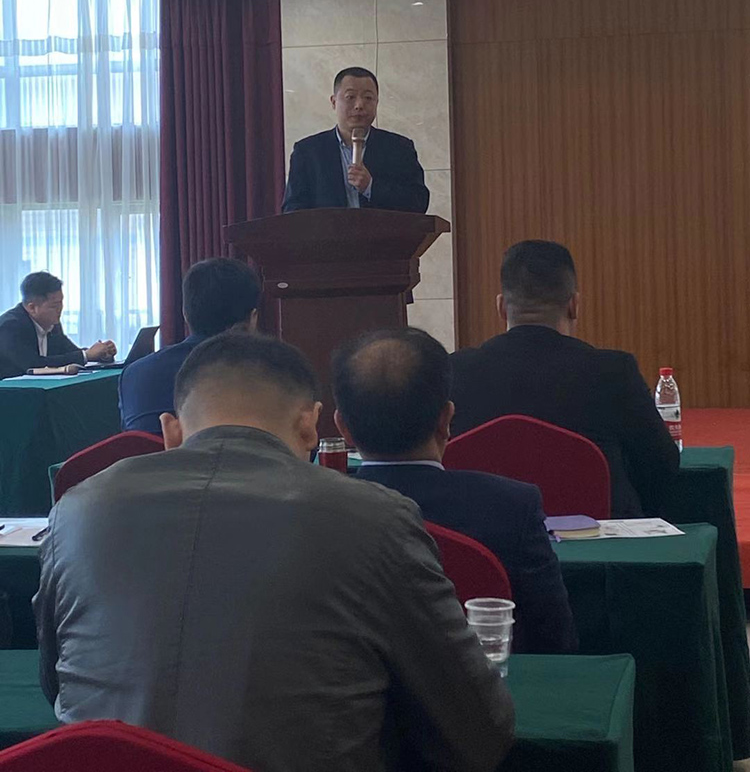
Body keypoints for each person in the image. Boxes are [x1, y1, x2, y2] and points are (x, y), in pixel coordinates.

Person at [34, 331, 513, 772]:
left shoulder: (75, 510)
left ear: (170, 432)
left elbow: (55, 684)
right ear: (310, 426)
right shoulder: (376, 518)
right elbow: (477, 730)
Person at [334, 327, 577, 655]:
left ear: (343, 428)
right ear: (446, 419)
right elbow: (554, 642)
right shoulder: (511, 508)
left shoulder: (318, 516)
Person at [450, 240, 680, 518]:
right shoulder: (613, 371)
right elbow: (662, 465)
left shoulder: (455, 370)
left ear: (501, 307)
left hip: (487, 533)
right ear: (574, 305)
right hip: (601, 538)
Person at [119, 257, 260, 435]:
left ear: (185, 314)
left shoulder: (134, 373)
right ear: (252, 318)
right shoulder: (270, 375)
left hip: (156, 455)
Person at [282, 66, 430, 213]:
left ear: (377, 103)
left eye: (368, 98)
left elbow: (419, 202)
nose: (359, 105)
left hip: (382, 229)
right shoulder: (307, 151)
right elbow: (292, 209)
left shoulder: (399, 148)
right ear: (334, 102)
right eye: (350, 97)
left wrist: (370, 187)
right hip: (328, 229)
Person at [0, 272, 116, 379]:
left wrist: (101, 354)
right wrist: (86, 355)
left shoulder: (52, 323)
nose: (60, 310)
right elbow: (33, 364)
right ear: (32, 307)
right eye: (54, 306)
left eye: (61, 303)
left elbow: (70, 353)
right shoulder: (9, 326)